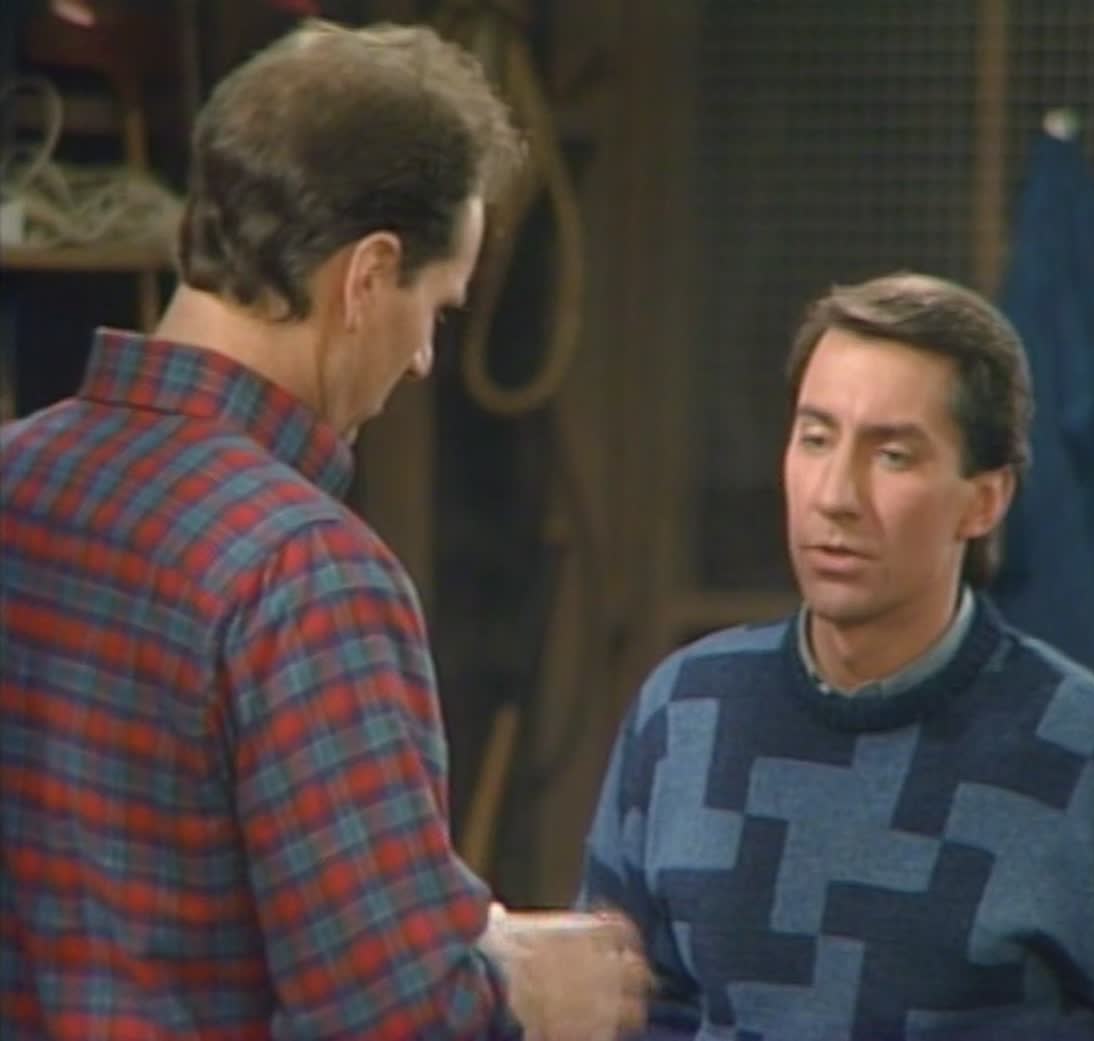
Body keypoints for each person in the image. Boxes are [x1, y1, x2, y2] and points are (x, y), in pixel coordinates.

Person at [1, 19, 648, 1041]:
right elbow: (390, 1018)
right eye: (437, 307)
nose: (423, 358)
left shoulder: (16, 477)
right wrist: (527, 996)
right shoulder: (304, 573)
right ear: (366, 277)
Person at [579, 272, 1094, 1040]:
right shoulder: (687, 715)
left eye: (893, 455)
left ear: (984, 501)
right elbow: (616, 1011)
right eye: (816, 439)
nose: (835, 494)